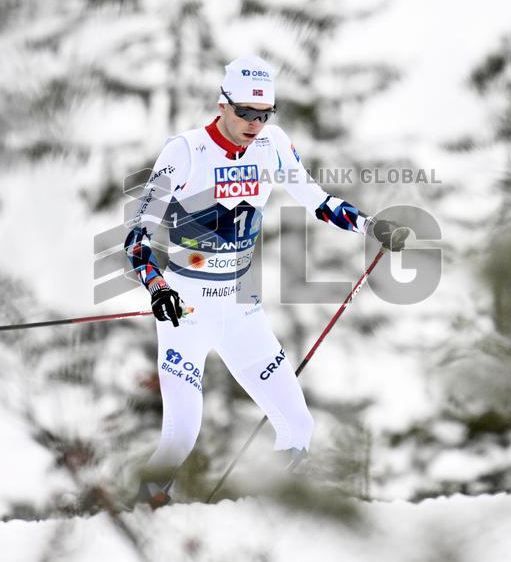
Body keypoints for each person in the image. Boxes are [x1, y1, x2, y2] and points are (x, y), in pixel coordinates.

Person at [124, 55, 408, 508]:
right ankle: (142, 518)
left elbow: (317, 200)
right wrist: (159, 289)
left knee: (298, 426)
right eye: (245, 113)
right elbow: (136, 237)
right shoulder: (185, 152)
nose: (255, 125)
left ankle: (266, 516)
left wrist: (370, 226)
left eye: (265, 114)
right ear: (223, 104)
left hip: (242, 310)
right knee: (180, 438)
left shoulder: (271, 145)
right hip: (187, 313)